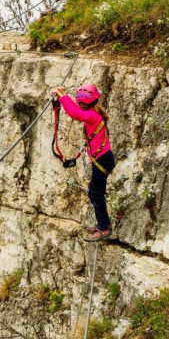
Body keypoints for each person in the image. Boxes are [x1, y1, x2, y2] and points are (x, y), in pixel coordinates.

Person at [51, 84, 115, 242]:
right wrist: (63, 94)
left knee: (96, 194)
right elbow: (77, 111)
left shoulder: (93, 116)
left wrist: (62, 98)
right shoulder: (92, 112)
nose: (80, 106)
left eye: (82, 104)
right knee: (94, 193)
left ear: (88, 103)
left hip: (102, 159)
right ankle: (103, 223)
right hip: (102, 158)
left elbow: (75, 114)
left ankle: (104, 228)